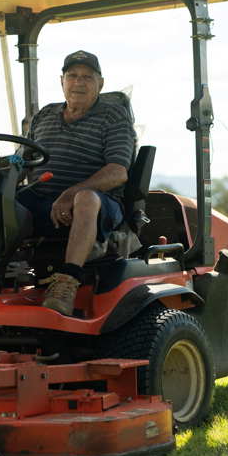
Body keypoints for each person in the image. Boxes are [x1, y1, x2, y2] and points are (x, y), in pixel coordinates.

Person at [17, 50, 136, 316]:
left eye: (87, 77)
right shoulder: (44, 115)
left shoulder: (114, 116)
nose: (78, 82)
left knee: (86, 197)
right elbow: (22, 162)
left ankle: (67, 282)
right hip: (43, 202)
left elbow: (118, 172)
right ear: (62, 81)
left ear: (100, 84)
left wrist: (72, 192)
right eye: (72, 76)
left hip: (98, 207)